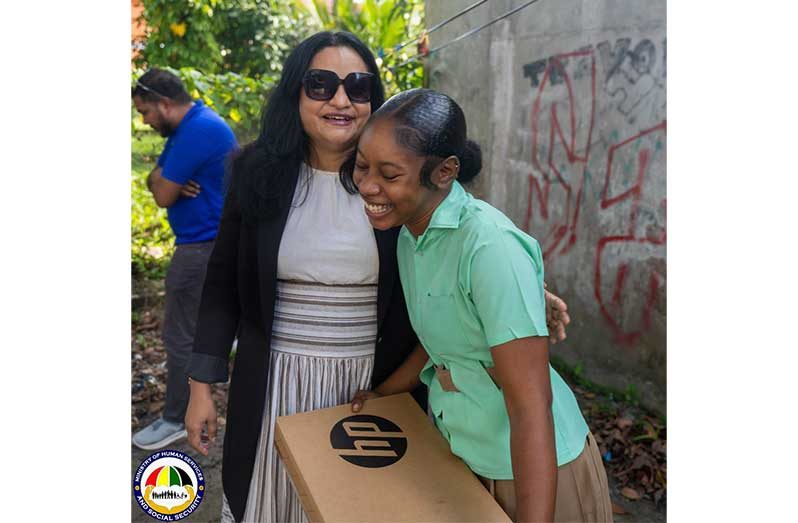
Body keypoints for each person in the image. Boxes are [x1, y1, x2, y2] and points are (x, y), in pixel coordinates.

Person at [184, 32, 571, 523]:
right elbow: (222, 283)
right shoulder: (256, 173)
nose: (340, 99)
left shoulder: (401, 181)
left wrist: (527, 289)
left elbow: (460, 250)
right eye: (321, 84)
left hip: (375, 382)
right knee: (271, 499)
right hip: (275, 378)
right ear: (295, 93)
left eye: (358, 86)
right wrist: (201, 384)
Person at [345, 89, 612, 522]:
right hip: (466, 456)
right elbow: (446, 341)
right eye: (362, 166)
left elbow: (530, 409)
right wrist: (384, 393)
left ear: (445, 172)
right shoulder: (412, 235)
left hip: (534, 476)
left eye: (389, 175)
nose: (368, 186)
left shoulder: (489, 248)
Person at [131, 68, 238, 450]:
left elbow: (161, 194)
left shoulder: (197, 130)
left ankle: (176, 417)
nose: (143, 120)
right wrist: (162, 180)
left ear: (163, 103)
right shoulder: (186, 128)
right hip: (200, 244)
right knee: (188, 331)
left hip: (200, 248)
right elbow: (156, 182)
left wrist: (164, 183)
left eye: (144, 112)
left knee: (179, 336)